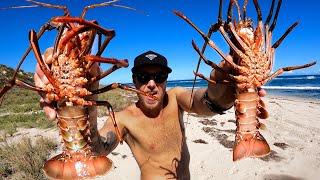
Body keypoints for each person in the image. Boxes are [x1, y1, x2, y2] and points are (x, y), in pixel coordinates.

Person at [35, 50, 266, 180]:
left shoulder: (176, 98)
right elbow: (98, 149)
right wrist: (87, 101)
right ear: (134, 81)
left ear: (166, 81)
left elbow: (206, 103)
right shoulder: (124, 118)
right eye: (144, 78)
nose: (152, 84)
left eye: (159, 77)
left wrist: (223, 85)